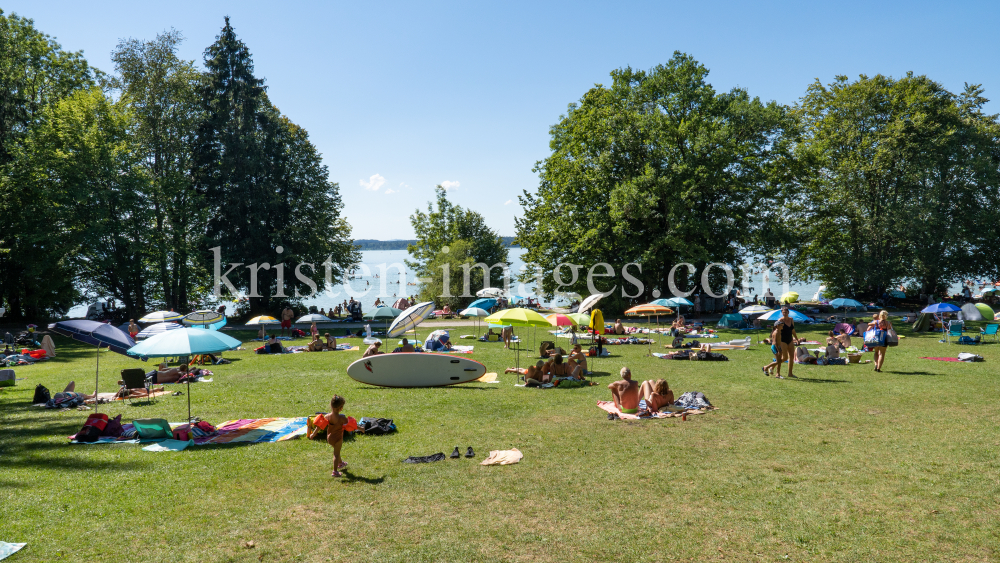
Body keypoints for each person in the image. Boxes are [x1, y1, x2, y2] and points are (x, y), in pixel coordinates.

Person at [311, 395, 348, 477]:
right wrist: (361, 428)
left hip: (329, 438)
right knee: (336, 454)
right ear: (341, 408)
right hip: (338, 438)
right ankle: (335, 471)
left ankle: (340, 463)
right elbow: (351, 425)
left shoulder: (327, 416)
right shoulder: (342, 417)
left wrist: (313, 434)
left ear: (331, 406)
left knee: (336, 451)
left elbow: (319, 426)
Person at [775, 307, 799, 379]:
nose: (784, 313)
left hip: (790, 340)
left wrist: (797, 338)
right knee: (784, 358)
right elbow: (777, 331)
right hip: (782, 340)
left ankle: (790, 373)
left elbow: (793, 330)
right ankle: (772, 366)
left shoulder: (791, 319)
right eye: (783, 312)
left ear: (788, 312)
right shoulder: (780, 320)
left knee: (791, 357)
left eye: (785, 312)